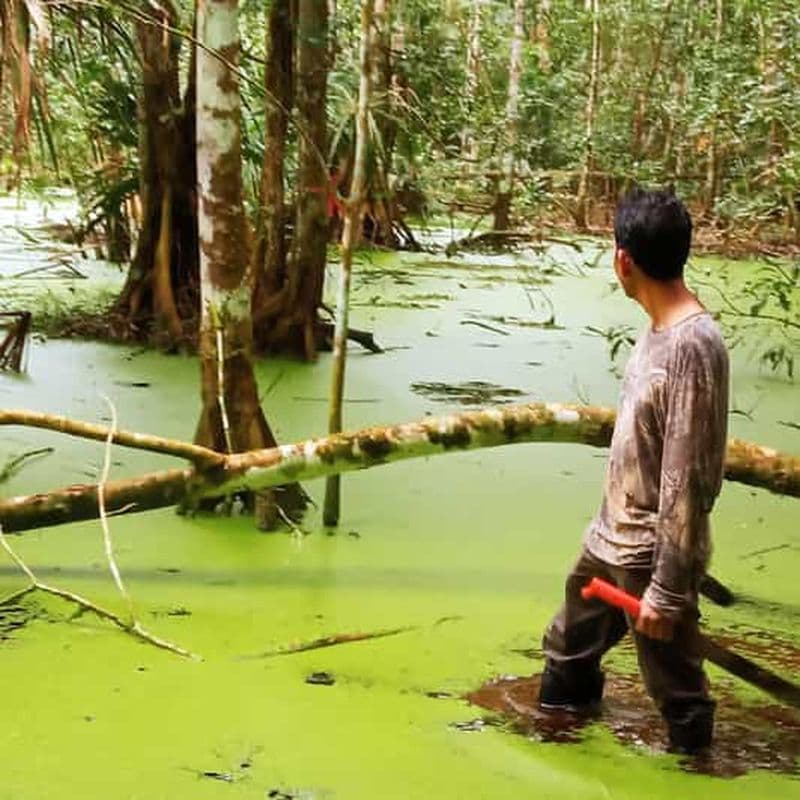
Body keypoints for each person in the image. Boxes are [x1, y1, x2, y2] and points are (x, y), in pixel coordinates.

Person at [538, 187, 729, 754]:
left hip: (650, 553)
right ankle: (561, 747)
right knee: (565, 653)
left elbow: (688, 478)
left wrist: (668, 590)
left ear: (623, 260)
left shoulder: (693, 346)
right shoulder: (657, 328)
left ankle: (695, 774)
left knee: (679, 694)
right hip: (607, 541)